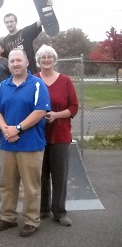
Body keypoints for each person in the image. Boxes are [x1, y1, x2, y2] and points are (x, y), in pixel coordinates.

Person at [0, 48, 50, 237]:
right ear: (8, 64)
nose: (15, 64)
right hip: (8, 144)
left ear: (27, 62)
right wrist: (6, 130)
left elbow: (40, 111)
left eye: (19, 60)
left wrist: (17, 128)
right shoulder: (3, 86)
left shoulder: (37, 85)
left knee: (31, 185)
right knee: (6, 183)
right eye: (12, 61)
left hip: (30, 145)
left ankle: (32, 220)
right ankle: (7, 217)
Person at [34, 45, 79, 227]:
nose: (46, 60)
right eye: (43, 57)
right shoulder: (33, 80)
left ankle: (59, 211)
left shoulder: (65, 80)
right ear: (38, 60)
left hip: (60, 135)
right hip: (37, 134)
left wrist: (56, 115)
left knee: (59, 175)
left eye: (49, 57)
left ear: (54, 59)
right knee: (41, 175)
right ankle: (43, 208)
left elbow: (74, 106)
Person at [2, 0, 52, 74]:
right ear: (5, 24)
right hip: (15, 75)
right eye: (7, 22)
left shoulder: (26, 32)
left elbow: (41, 21)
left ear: (16, 22)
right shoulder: (4, 41)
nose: (9, 24)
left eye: (11, 21)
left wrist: (48, 8)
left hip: (30, 72)